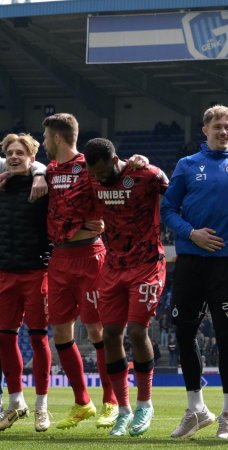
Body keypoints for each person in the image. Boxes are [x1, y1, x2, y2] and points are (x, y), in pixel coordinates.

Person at [162, 105, 228, 439]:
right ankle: (196, 409)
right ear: (204, 129)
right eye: (218, 126)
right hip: (190, 262)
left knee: (226, 339)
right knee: (184, 334)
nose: (224, 131)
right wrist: (192, 233)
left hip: (224, 265)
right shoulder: (187, 165)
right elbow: (167, 209)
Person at [83, 138, 168, 437]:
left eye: (103, 173)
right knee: (110, 335)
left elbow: (172, 189)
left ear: (115, 159)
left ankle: (145, 404)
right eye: (95, 175)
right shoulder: (92, 176)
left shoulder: (144, 175)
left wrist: (147, 160)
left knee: (136, 330)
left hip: (146, 264)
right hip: (113, 266)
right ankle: (123, 410)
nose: (99, 179)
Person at [42, 113, 118, 430]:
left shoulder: (90, 166)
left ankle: (111, 402)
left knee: (98, 330)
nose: (43, 142)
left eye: (45, 137)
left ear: (57, 138)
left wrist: (105, 221)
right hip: (59, 258)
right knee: (61, 332)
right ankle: (81, 402)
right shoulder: (48, 170)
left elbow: (120, 181)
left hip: (90, 255)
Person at [0, 133, 52, 432]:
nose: (15, 156)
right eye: (11, 152)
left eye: (21, 152)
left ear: (32, 157)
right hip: (5, 273)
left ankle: (42, 406)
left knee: (38, 337)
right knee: (5, 338)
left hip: (36, 272)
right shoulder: (2, 185)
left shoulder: (43, 187)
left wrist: (41, 173)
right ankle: (16, 401)